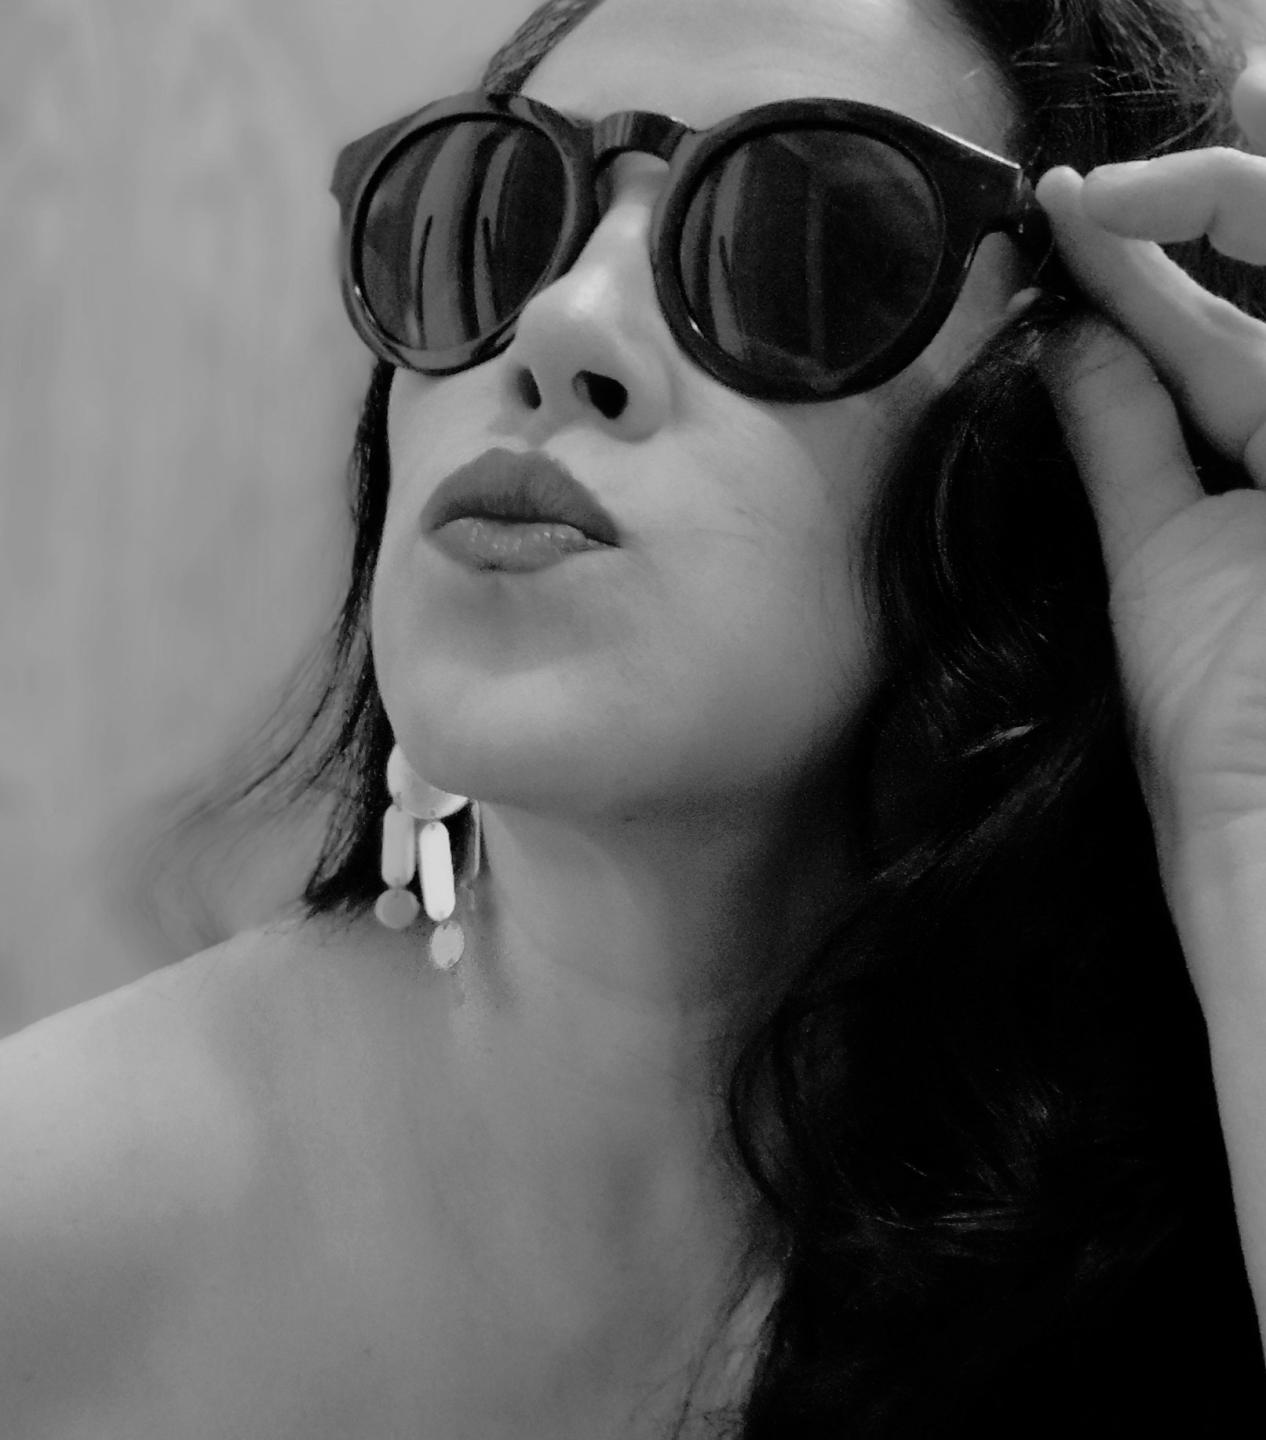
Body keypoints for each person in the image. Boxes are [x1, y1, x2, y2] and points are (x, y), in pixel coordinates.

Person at [4, 0, 1266, 1434]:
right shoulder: (38, 1233)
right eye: (499, 211)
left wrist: (1242, 827)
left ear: (1077, 426)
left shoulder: (1201, 1202)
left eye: (799, 239)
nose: (561, 325)